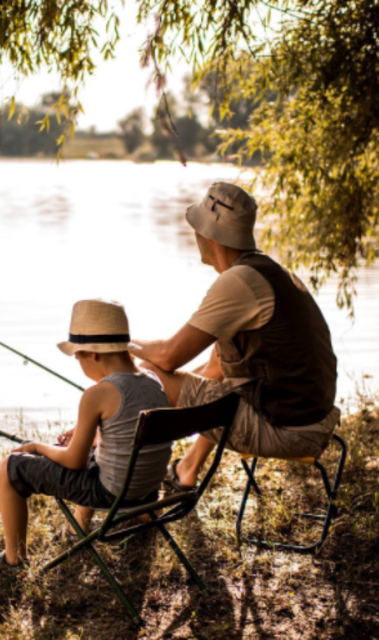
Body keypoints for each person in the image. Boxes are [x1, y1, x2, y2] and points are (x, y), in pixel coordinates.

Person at [130, 182, 340, 491]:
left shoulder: (239, 283)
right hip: (314, 419)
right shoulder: (270, 271)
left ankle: (127, 489)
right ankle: (186, 469)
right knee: (215, 380)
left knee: (146, 375)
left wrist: (120, 343)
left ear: (207, 235)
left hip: (290, 430)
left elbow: (168, 356)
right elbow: (214, 370)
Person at [0, 299, 172, 573]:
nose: (79, 363)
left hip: (111, 493)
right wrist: (92, 435)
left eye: (78, 356)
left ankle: (13, 562)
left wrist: (38, 447)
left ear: (92, 353)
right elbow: (128, 435)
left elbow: (73, 462)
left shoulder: (97, 394)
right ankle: (77, 529)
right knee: (97, 452)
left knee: (10, 468)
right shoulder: (153, 380)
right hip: (148, 491)